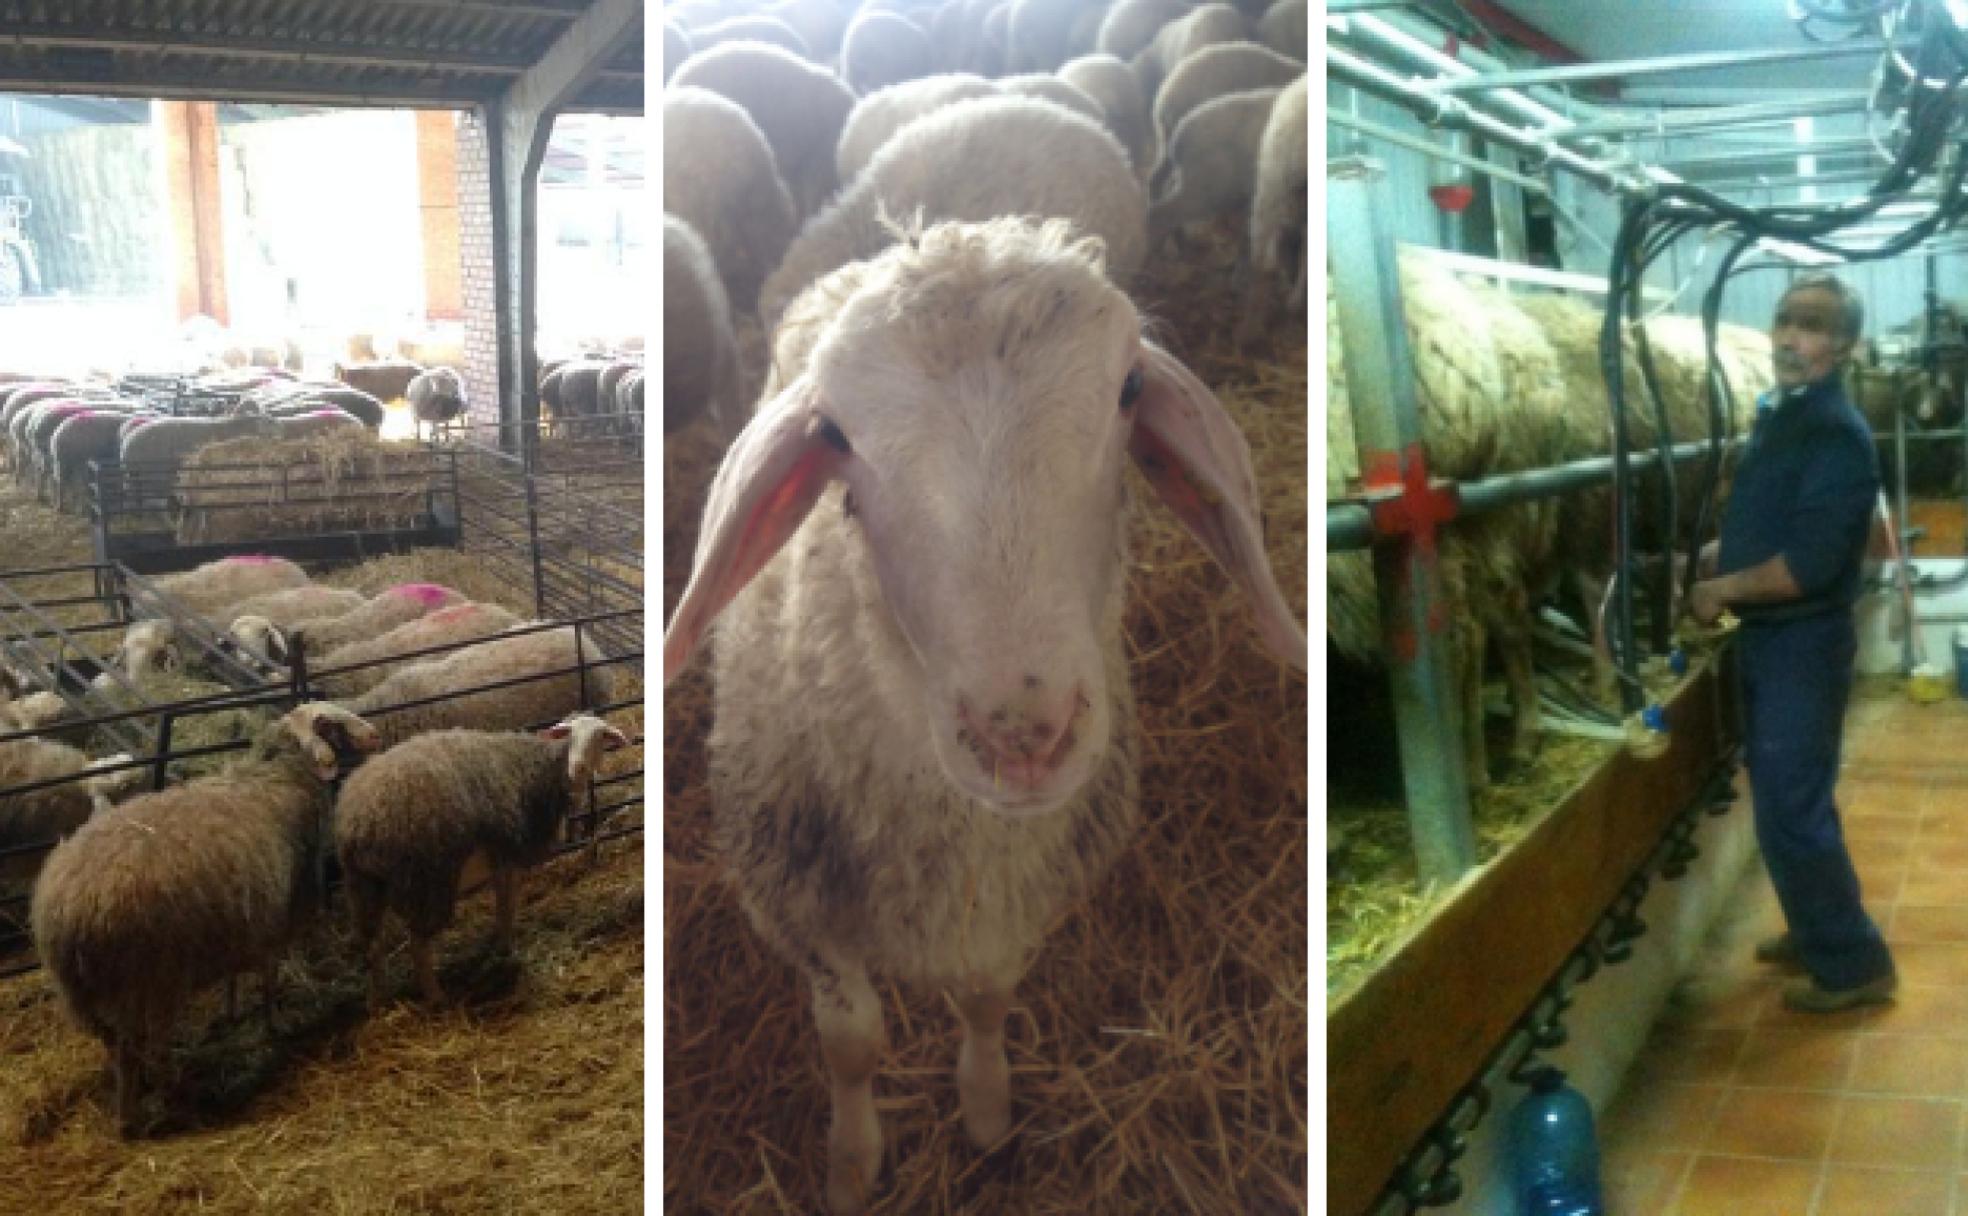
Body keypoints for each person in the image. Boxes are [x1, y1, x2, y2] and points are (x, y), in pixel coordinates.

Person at [1687, 272, 1896, 1013]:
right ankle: (1817, 928)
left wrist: (1721, 589)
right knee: (1788, 801)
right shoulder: (1788, 416)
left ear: (1843, 346)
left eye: (1809, 326)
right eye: (1782, 321)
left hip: (1801, 645)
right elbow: (1781, 520)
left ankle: (1854, 966)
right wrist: (1725, 549)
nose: (1787, 337)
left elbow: (1809, 567)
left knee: (1794, 806)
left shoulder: (1836, 431)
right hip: (1775, 643)